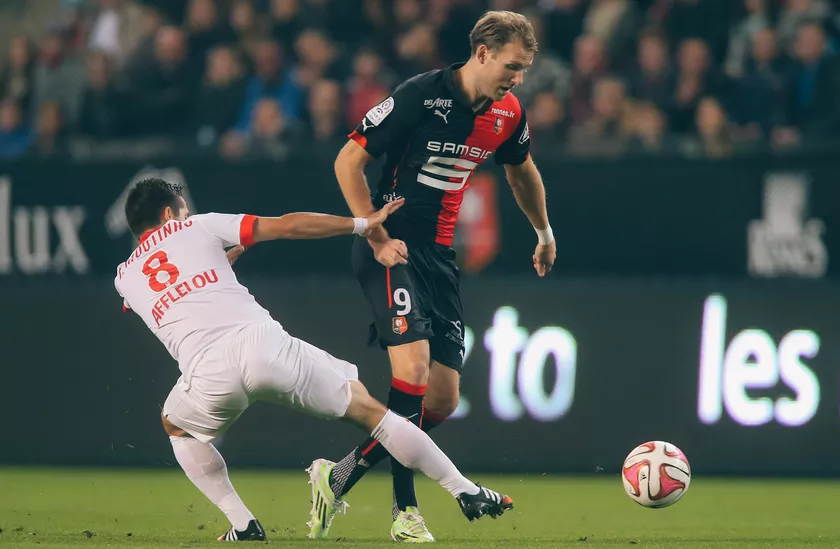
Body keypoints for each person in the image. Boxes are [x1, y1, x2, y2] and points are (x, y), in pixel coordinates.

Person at [113, 178, 514, 542]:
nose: (185, 216)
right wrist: (361, 224)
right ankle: (464, 490)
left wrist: (212, 267)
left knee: (176, 425)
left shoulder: (123, 277)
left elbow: (158, 294)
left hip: (207, 375)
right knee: (375, 414)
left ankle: (242, 525)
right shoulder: (197, 226)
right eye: (181, 210)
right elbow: (287, 225)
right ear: (170, 214)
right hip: (263, 348)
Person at [324, 9, 554, 542]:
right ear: (482, 53)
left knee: (442, 400)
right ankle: (406, 512)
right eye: (512, 66)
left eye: (523, 70)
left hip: (438, 257)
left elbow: (522, 174)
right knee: (413, 373)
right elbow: (346, 163)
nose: (518, 79)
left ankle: (338, 475)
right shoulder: (418, 96)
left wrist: (543, 233)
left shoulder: (508, 114)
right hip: (390, 246)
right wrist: (375, 235)